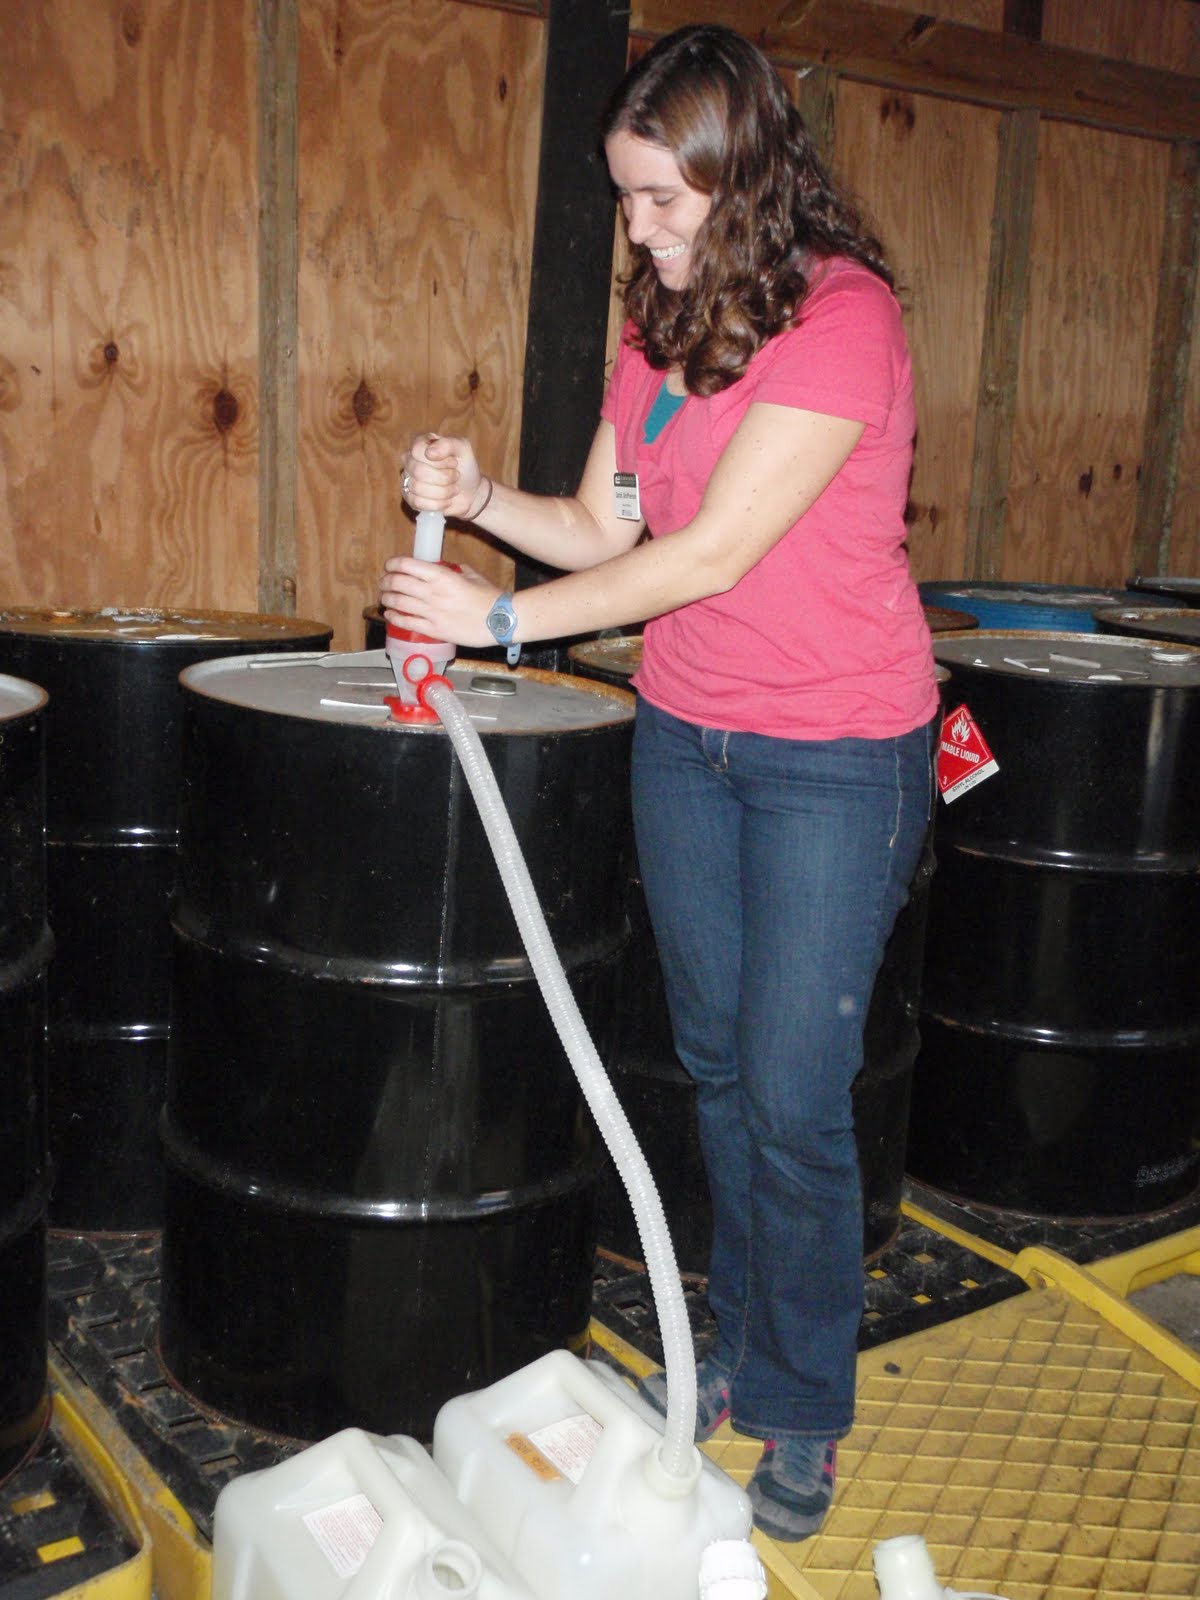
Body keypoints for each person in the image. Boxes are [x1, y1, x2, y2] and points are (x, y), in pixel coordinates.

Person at [381, 22, 938, 1543]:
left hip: (836, 753)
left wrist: (488, 622)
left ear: (739, 178)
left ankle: (805, 1405)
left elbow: (708, 556)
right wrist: (484, 500)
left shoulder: (845, 322)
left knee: (794, 1092)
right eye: (628, 201)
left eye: (661, 203)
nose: (640, 230)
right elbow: (604, 526)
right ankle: (741, 1350)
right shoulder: (657, 333)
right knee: (712, 1067)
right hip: (689, 740)